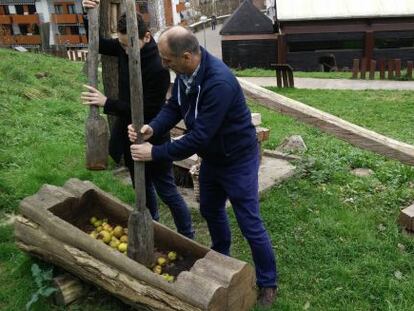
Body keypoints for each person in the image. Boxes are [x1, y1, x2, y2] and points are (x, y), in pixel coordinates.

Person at [128, 26, 277, 308]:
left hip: (238, 159)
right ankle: (221, 255)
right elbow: (174, 106)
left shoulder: (218, 82)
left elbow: (198, 137)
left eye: (167, 59)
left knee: (250, 223)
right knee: (209, 208)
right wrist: (152, 127)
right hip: (213, 158)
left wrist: (155, 153)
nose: (163, 64)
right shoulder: (186, 73)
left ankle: (268, 283)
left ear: (186, 56)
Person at [80, 1, 194, 239]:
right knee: (141, 186)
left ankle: (187, 234)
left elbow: (148, 108)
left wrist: (106, 103)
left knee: (166, 189)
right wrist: (88, 13)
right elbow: (97, 43)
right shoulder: (125, 46)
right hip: (129, 133)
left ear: (147, 37)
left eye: (131, 43)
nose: (126, 49)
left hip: (153, 133)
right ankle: (152, 225)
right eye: (122, 44)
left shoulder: (159, 66)